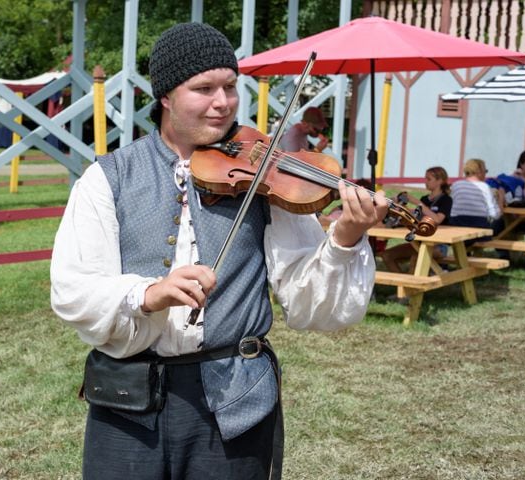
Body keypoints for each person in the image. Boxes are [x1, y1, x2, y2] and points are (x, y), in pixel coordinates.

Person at [50, 22, 388, 480]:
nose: (223, 102)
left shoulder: (267, 172)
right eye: (203, 88)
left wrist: (345, 236)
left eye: (230, 86)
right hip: (126, 399)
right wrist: (148, 294)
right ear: (166, 96)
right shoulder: (107, 178)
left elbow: (312, 305)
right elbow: (73, 289)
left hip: (235, 399)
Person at [380, 167, 453, 272]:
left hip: (438, 245)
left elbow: (437, 220)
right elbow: (415, 215)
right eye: (425, 178)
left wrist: (417, 202)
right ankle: (404, 285)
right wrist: (399, 207)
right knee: (387, 255)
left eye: (429, 179)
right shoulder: (424, 199)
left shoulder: (446, 200)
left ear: (440, 181)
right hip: (419, 242)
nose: (425, 182)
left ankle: (410, 286)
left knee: (417, 257)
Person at [449, 158, 503, 242]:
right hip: (478, 231)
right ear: (479, 172)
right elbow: (495, 214)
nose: (486, 175)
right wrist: (500, 199)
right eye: (485, 171)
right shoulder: (484, 187)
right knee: (499, 224)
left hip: (456, 229)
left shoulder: (456, 185)